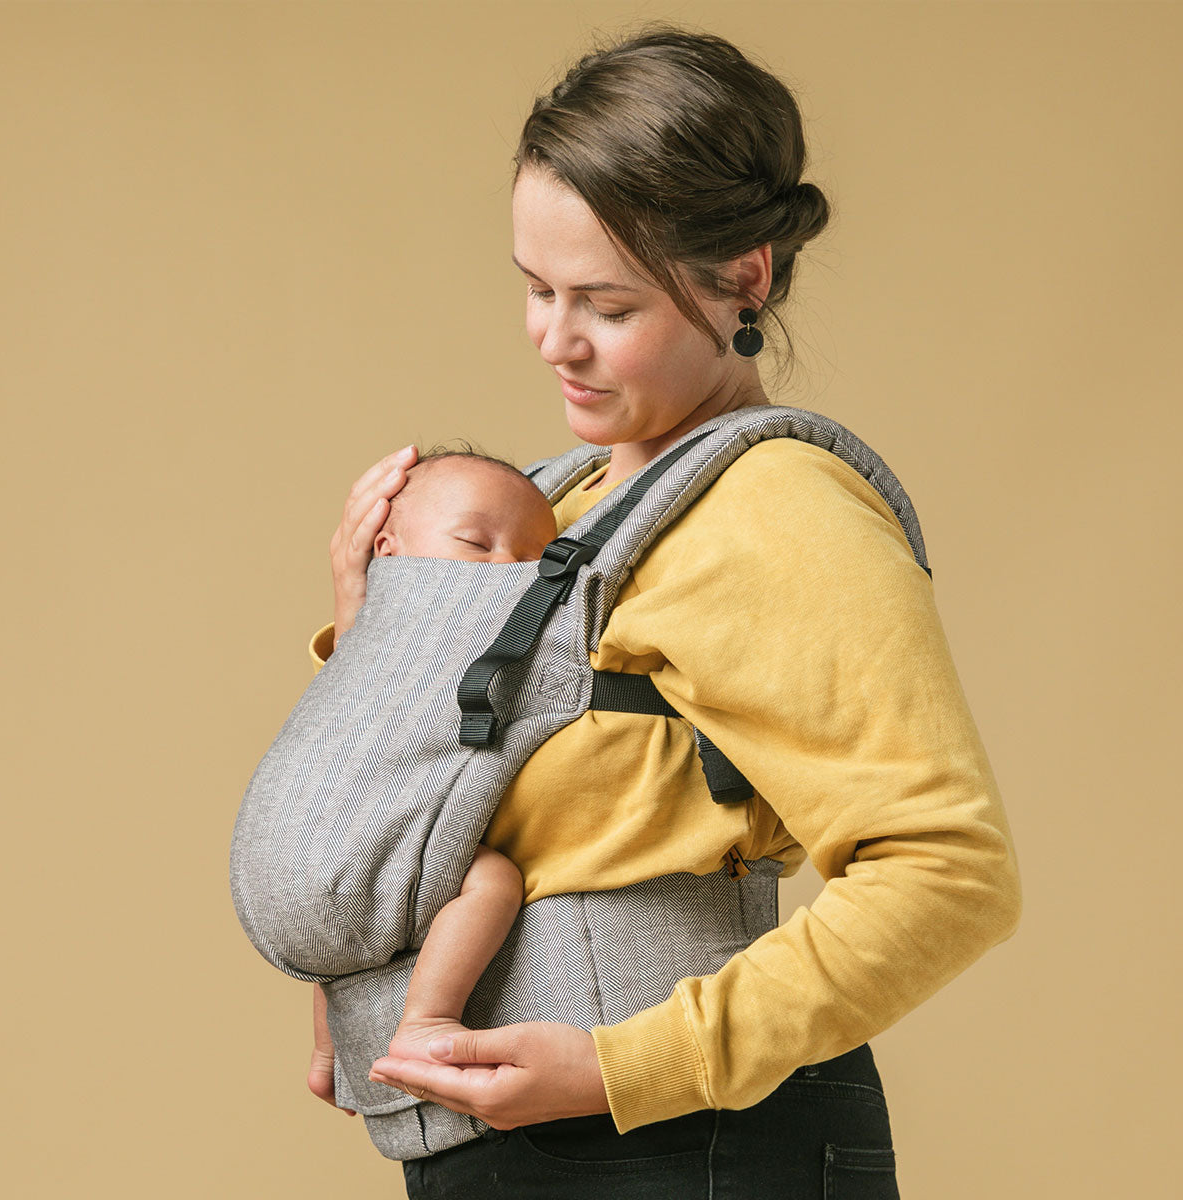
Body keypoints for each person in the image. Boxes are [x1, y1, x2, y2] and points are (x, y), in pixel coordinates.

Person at [304, 26, 1021, 1197]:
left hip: (683, 1150)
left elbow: (951, 873)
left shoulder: (783, 508)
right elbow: (462, 808)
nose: (554, 339)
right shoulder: (548, 506)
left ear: (747, 276)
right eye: (536, 289)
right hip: (514, 1152)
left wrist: (623, 1065)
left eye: (607, 304)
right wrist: (367, 638)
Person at [306, 446, 557, 1110]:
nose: (509, 566)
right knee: (491, 879)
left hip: (336, 839)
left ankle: (332, 1052)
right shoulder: (414, 637)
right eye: (476, 542)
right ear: (388, 551)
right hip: (370, 830)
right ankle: (426, 1020)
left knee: (345, 931)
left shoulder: (394, 638)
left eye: (537, 558)